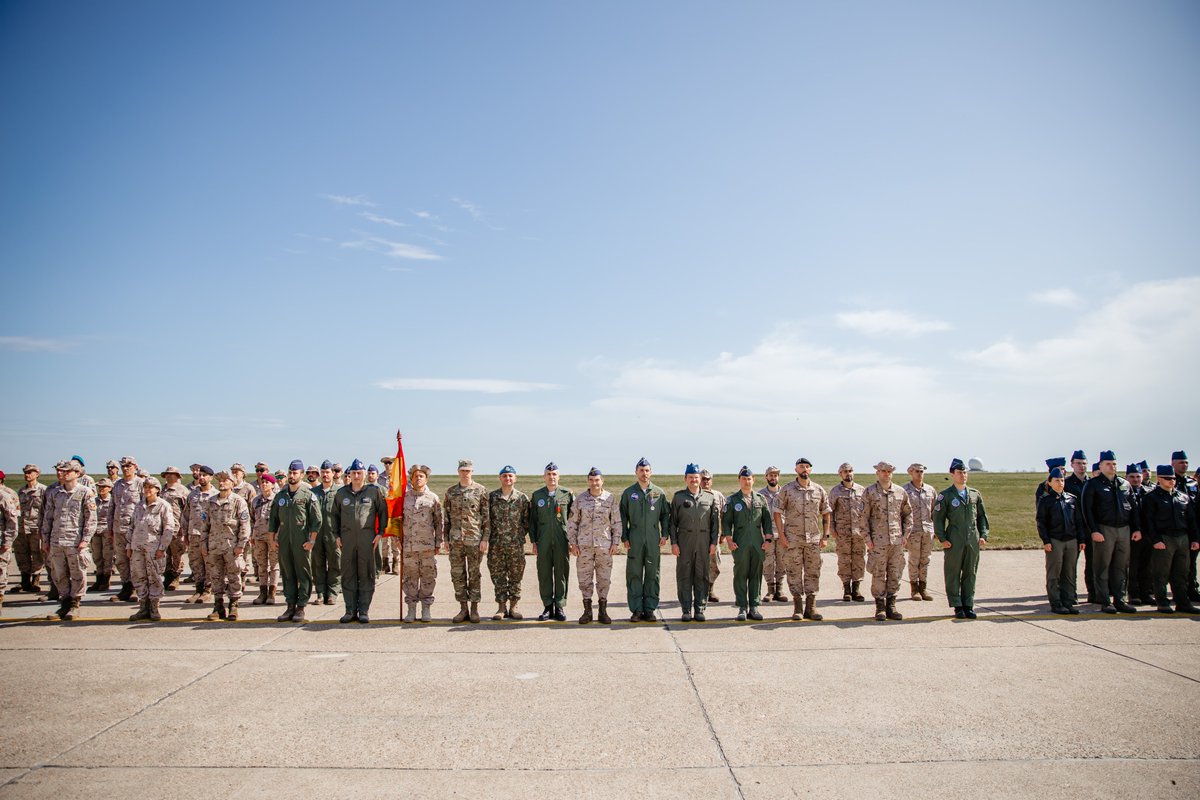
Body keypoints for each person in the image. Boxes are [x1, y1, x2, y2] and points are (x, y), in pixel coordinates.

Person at [1079, 450, 1141, 614]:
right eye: (1108, 464)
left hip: (1124, 529)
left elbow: (1133, 507)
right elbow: (1087, 509)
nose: (1112, 466)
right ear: (1100, 465)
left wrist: (1136, 529)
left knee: (1121, 566)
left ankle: (1120, 600)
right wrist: (1094, 530)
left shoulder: (1124, 483)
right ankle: (1105, 600)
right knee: (1102, 566)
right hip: (1104, 529)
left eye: (1114, 464)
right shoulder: (1093, 484)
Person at [774, 457, 831, 621]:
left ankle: (811, 608)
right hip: (793, 539)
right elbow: (777, 512)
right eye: (801, 467)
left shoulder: (818, 490)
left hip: (813, 539)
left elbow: (826, 512)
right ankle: (798, 608)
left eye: (807, 467)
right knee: (794, 572)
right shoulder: (787, 489)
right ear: (796, 470)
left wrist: (825, 536)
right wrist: (782, 535)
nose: (804, 469)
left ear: (811, 470)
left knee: (813, 572)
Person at [39, 460, 97, 621]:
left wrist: (85, 540)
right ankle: (64, 603)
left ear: (77, 474)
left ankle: (74, 604)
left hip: (75, 541)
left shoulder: (85, 492)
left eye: (67, 471)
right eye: (62, 471)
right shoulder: (54, 493)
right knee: (59, 574)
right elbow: (48, 517)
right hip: (57, 541)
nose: (63, 474)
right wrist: (46, 539)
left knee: (78, 573)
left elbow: (91, 519)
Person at [333, 459, 388, 624]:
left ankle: (363, 610)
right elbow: (334, 516)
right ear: (349, 475)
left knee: (366, 574)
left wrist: (380, 533)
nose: (356, 476)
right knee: (348, 574)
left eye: (359, 473)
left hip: (367, 539)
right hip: (347, 540)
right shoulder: (341, 494)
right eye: (354, 473)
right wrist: (336, 535)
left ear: (364, 475)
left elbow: (383, 512)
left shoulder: (373, 492)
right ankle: (350, 610)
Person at [932, 458, 989, 620]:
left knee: (970, 572)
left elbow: (982, 517)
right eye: (959, 472)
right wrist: (942, 538)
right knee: (953, 572)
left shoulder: (974, 494)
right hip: (954, 538)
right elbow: (938, 518)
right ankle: (957, 605)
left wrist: (983, 534)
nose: (963, 475)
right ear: (952, 474)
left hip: (972, 538)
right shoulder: (945, 496)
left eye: (965, 472)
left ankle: (968, 604)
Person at [268, 459, 323, 623]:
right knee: (287, 573)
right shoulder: (281, 496)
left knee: (303, 573)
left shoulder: (307, 495)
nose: (292, 475)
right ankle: (290, 605)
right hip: (284, 541)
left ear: (302, 475)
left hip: (301, 541)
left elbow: (316, 520)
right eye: (290, 472)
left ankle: (301, 607)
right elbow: (273, 519)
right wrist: (272, 539)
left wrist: (311, 541)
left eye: (295, 473)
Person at [1140, 465, 1199, 614]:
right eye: (1168, 478)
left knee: (1182, 572)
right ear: (1159, 479)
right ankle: (1162, 601)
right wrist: (1155, 540)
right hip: (1164, 538)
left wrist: (1195, 539)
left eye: (1173, 478)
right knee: (1161, 572)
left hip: (1182, 538)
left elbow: (1191, 520)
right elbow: (1149, 522)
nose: (1172, 481)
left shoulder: (1183, 497)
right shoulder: (1151, 498)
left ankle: (1182, 602)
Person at [620, 458, 671, 622]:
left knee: (652, 574)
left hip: (653, 538)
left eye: (647, 470)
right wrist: (624, 536)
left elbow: (665, 515)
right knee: (634, 574)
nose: (644, 473)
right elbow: (622, 517)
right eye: (641, 470)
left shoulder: (658, 492)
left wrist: (665, 534)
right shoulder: (629, 493)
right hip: (634, 538)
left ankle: (649, 609)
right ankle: (636, 609)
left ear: (651, 472)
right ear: (636, 472)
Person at [567, 467, 621, 624]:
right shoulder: (580, 500)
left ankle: (603, 611)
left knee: (604, 579)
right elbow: (572, 523)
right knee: (584, 579)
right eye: (591, 480)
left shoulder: (610, 498)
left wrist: (616, 541)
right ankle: (587, 611)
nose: (594, 483)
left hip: (604, 545)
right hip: (584, 546)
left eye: (597, 480)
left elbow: (616, 522)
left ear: (602, 481)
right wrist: (573, 543)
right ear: (588, 481)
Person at [862, 462, 913, 622]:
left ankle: (892, 604)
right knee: (878, 573)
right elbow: (863, 517)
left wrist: (905, 535)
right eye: (882, 471)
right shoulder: (869, 492)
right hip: (877, 541)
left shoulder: (900, 492)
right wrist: (867, 539)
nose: (886, 474)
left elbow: (908, 514)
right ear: (877, 472)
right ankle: (880, 607)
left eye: (889, 471)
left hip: (897, 541)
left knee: (895, 573)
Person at [670, 464, 720, 622]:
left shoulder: (709, 498)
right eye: (690, 477)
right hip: (685, 541)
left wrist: (714, 542)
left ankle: (699, 609)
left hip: (704, 542)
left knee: (702, 575)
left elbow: (715, 524)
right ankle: (686, 610)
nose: (694, 480)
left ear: (700, 479)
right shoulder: (679, 497)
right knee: (684, 576)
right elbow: (672, 523)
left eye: (696, 477)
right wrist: (674, 543)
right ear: (686, 479)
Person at [722, 467, 773, 621]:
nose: (746, 481)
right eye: (744, 479)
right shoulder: (732, 500)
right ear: (739, 480)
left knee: (756, 574)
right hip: (740, 542)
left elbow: (767, 521)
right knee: (740, 574)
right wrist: (729, 541)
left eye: (749, 478)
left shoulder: (760, 499)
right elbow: (726, 523)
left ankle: (754, 606)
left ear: (753, 480)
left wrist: (768, 540)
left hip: (757, 542)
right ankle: (742, 607)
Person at [443, 458, 490, 624]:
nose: (465, 473)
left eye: (468, 471)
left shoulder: (481, 491)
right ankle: (463, 608)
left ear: (472, 472)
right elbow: (446, 517)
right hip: (455, 540)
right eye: (462, 470)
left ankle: (475, 608)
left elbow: (486, 518)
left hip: (474, 539)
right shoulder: (451, 492)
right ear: (458, 472)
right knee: (458, 574)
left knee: (475, 574)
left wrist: (485, 538)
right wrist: (445, 539)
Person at [200, 471, 252, 622]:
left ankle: (234, 606)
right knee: (215, 577)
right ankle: (218, 607)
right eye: (220, 480)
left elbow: (245, 525)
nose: (221, 482)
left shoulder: (238, 501)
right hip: (214, 546)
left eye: (225, 480)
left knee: (234, 576)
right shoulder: (210, 502)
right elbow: (205, 525)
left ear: (232, 483)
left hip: (231, 546)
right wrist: (203, 544)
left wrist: (241, 545)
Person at [1036, 466, 1085, 614]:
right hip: (1055, 540)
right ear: (1049, 483)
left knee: (1069, 572)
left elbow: (1078, 521)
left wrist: (1081, 539)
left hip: (1071, 540)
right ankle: (1056, 603)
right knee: (1054, 573)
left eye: (1062, 480)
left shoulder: (1072, 499)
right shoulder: (1045, 501)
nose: (1060, 483)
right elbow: (1041, 522)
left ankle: (1068, 602)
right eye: (1057, 480)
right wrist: (1046, 541)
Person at [127, 477, 176, 622]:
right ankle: (143, 607)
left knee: (154, 577)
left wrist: (162, 548)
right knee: (138, 576)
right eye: (146, 487)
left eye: (151, 487)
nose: (147, 489)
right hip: (137, 547)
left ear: (157, 490)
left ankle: (154, 607)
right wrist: (128, 545)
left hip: (154, 548)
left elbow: (168, 528)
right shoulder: (138, 506)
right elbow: (131, 526)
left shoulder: (163, 506)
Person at [530, 462, 573, 622]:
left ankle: (560, 605)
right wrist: (534, 541)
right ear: (544, 477)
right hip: (544, 540)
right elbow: (532, 521)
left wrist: (572, 539)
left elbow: (573, 520)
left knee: (561, 572)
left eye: (554, 474)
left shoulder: (567, 494)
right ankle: (548, 606)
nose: (551, 477)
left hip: (562, 539)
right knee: (544, 573)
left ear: (558, 476)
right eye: (549, 474)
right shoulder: (537, 495)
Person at [487, 465, 530, 620]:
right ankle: (501, 607)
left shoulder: (522, 498)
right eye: (505, 476)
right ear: (500, 478)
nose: (508, 479)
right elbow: (487, 520)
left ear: (515, 478)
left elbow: (526, 521)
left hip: (515, 545)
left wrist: (517, 536)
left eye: (510, 476)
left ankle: (514, 606)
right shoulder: (491, 498)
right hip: (496, 544)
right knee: (498, 576)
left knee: (516, 576)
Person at [402, 464, 443, 623]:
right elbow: (398, 521)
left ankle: (426, 608)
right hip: (409, 546)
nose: (418, 478)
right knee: (410, 578)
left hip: (427, 546)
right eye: (415, 476)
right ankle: (411, 609)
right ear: (411, 478)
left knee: (428, 577)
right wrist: (397, 540)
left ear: (426, 478)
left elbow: (439, 522)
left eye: (421, 476)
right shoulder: (404, 498)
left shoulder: (433, 498)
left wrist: (438, 542)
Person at [829, 462, 868, 602]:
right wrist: (831, 530)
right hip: (842, 532)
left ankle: (856, 589)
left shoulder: (862, 490)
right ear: (840, 474)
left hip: (859, 533)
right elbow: (830, 512)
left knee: (858, 559)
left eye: (850, 471)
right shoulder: (835, 492)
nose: (848, 473)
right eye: (845, 471)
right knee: (844, 560)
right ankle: (846, 588)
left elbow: (866, 512)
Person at [108, 456, 144, 602]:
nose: (126, 468)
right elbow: (112, 506)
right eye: (123, 466)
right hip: (118, 528)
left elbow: (145, 506)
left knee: (135, 559)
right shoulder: (117, 485)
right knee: (121, 560)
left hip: (134, 529)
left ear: (135, 466)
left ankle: (136, 588)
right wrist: (110, 527)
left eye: (129, 465)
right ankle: (126, 587)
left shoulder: (141, 484)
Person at [180, 466, 217, 604]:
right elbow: (185, 515)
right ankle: (198, 589)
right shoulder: (192, 495)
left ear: (211, 477)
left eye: (205, 475)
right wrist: (185, 533)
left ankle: (208, 590)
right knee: (195, 563)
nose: (201, 477)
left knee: (209, 563)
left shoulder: (215, 495)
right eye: (200, 475)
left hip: (209, 535)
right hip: (193, 534)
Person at [902, 463, 937, 601]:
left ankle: (923, 587)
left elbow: (934, 511)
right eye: (917, 471)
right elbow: (901, 513)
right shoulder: (905, 490)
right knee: (914, 560)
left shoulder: (930, 490)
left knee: (925, 559)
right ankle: (914, 589)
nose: (919, 474)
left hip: (927, 530)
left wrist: (937, 530)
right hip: (913, 531)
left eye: (922, 471)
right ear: (910, 472)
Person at [310, 460, 341, 606]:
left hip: (333, 534)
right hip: (317, 535)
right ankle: (321, 593)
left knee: (335, 563)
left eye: (327, 472)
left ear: (333, 474)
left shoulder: (340, 492)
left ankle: (333, 593)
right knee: (318, 564)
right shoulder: (313, 493)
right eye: (322, 473)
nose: (325, 475)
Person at [1170, 450, 1200, 601]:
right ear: (1173, 463)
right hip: (1178, 528)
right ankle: (1179, 592)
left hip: (1193, 527)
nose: (1184, 465)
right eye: (1181, 462)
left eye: (1186, 462)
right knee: (1178, 564)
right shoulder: (1169, 480)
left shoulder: (1192, 483)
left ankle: (1192, 589)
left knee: (1191, 562)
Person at [1125, 463, 1155, 605]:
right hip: (1132, 534)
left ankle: (1146, 593)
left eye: (1138, 476)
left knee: (1147, 565)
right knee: (1133, 565)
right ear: (1126, 477)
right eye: (1132, 477)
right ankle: (1133, 593)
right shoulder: (1123, 493)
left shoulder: (1149, 492)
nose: (1135, 480)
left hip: (1148, 534)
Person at [758, 466, 788, 603]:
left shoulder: (785, 492)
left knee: (782, 561)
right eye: (770, 475)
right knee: (768, 562)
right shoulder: (760, 495)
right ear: (766, 477)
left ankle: (779, 589)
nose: (773, 478)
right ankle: (770, 590)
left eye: (775, 475)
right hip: (767, 534)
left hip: (783, 533)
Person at [15, 465, 46, 594]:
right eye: (25, 472)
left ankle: (36, 580)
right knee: (22, 554)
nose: (27, 474)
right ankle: (24, 581)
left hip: (36, 527)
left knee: (37, 553)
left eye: (30, 472)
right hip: (22, 528)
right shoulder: (21, 491)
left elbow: (47, 510)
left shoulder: (43, 490)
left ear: (37, 474)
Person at [249, 473, 279, 605]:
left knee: (274, 565)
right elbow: (252, 518)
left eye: (267, 482)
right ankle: (262, 592)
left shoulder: (277, 500)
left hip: (273, 537)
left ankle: (272, 593)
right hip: (259, 537)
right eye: (262, 482)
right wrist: (252, 535)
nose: (264, 484)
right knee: (261, 565)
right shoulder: (255, 500)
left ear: (273, 485)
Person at [158, 467, 189, 591]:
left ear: (177, 476)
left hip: (177, 526)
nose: (169, 476)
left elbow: (187, 510)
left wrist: (183, 527)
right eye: (167, 474)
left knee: (177, 553)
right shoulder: (161, 490)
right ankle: (168, 576)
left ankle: (176, 577)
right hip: (162, 527)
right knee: (165, 554)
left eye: (172, 474)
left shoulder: (182, 491)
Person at [699, 469, 725, 603]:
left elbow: (724, 516)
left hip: (714, 537)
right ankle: (699, 591)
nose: (705, 481)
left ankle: (710, 590)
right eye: (703, 479)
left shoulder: (718, 495)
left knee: (714, 564)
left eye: (708, 479)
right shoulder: (695, 494)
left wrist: (724, 534)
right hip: (697, 537)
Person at [88, 478, 115, 591]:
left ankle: (106, 580)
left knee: (107, 556)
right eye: (100, 487)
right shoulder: (94, 501)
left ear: (109, 488)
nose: (101, 489)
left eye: (104, 487)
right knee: (97, 556)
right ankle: (98, 579)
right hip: (95, 530)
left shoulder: (112, 501)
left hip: (107, 530)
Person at [0, 475, 18, 612]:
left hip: (1, 540)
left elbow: (12, 521)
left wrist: (8, 540)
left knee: (1, 570)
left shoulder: (4, 497)